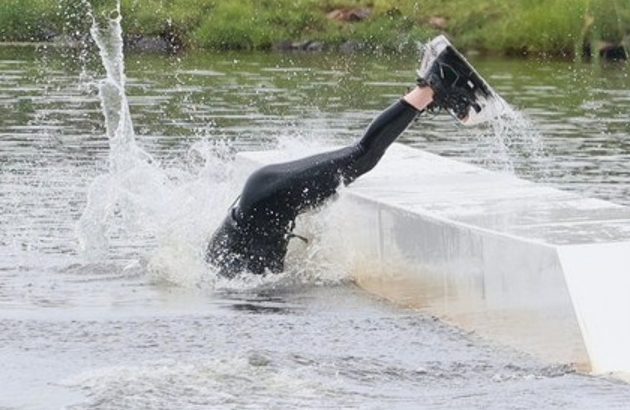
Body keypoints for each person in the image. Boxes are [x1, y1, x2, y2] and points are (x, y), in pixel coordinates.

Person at [206, 36, 496, 277]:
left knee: (362, 157)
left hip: (268, 198)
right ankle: (432, 90)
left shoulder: (239, 287)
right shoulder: (228, 276)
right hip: (263, 197)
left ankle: (436, 84)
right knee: (357, 160)